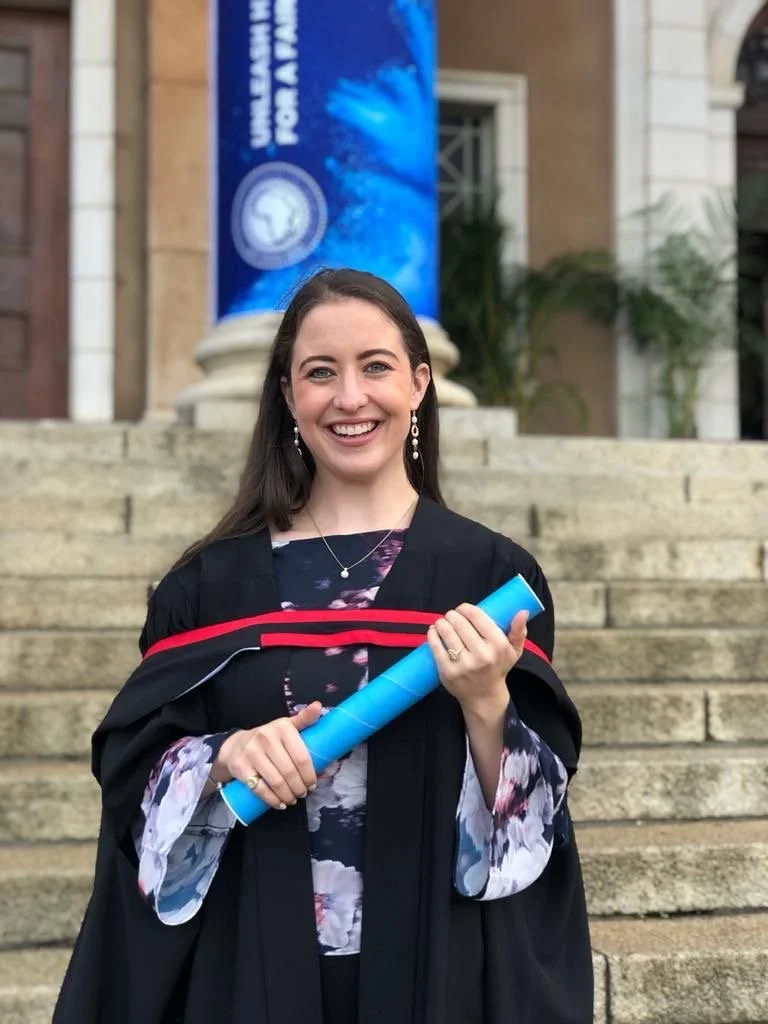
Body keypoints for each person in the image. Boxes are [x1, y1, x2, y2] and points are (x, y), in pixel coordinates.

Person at [54, 268, 592, 1024]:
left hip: (435, 974)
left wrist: (486, 705)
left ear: (419, 383)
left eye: (375, 366)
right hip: (244, 967)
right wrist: (223, 758)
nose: (349, 397)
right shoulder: (207, 589)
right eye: (319, 373)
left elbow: (536, 825)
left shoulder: (488, 575)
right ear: (287, 396)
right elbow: (132, 778)